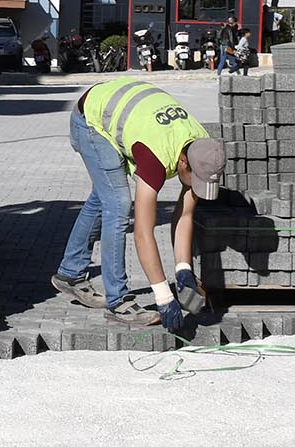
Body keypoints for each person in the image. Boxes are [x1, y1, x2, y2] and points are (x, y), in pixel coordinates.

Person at [50, 76, 226, 331]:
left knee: (104, 194)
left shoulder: (202, 148)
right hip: (91, 119)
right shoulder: (156, 157)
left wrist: (183, 269)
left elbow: (185, 215)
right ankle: (118, 301)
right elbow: (143, 233)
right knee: (118, 204)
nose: (194, 188)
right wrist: (163, 296)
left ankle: (70, 274)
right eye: (195, 181)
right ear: (184, 163)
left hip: (120, 109)